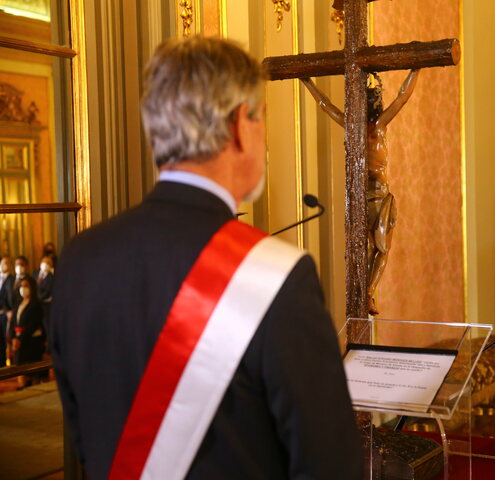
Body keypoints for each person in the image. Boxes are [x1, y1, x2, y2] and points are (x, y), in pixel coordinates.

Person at [50, 37, 362, 480]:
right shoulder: (278, 277)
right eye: (262, 118)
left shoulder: (79, 259)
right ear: (239, 125)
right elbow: (330, 467)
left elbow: (84, 438)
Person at [301, 70, 419, 315]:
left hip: (378, 194)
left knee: (381, 247)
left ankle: (367, 293)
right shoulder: (357, 126)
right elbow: (326, 105)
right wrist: (308, 82)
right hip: (360, 195)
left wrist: (415, 69)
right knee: (366, 248)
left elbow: (403, 96)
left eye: (372, 97)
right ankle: (363, 294)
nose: (370, 102)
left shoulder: (377, 125)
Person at [8, 275, 44, 386]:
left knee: (33, 373)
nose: (23, 288)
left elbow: (32, 325)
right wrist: (13, 338)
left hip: (30, 342)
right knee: (21, 371)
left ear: (32, 287)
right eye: (21, 286)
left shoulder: (36, 304)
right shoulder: (18, 303)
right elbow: (13, 322)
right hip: (18, 342)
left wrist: (20, 339)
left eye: (26, 286)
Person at [0, 255, 14, 366]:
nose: (4, 265)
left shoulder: (11, 280)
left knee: (6, 340)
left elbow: (9, 298)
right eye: (3, 262)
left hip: (6, 314)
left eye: (7, 263)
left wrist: (7, 310)